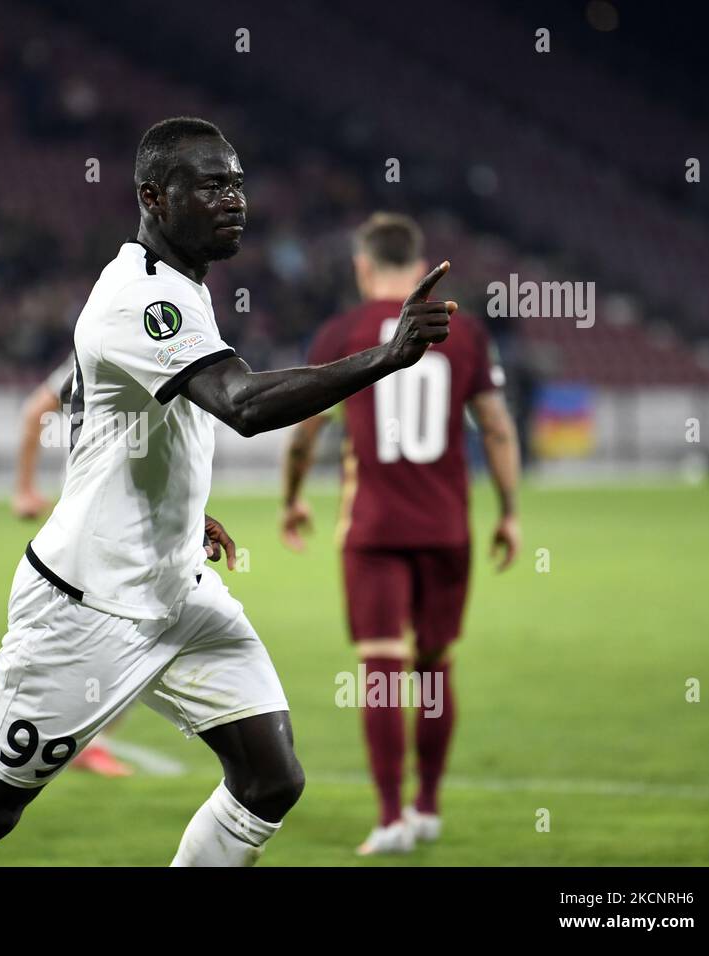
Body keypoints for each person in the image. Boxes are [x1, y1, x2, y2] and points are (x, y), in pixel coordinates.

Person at [0, 118, 455, 866]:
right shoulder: (141, 297)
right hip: (88, 606)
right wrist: (386, 356)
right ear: (154, 197)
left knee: (269, 779)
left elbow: (119, 426)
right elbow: (243, 405)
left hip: (177, 594)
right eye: (212, 184)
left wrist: (182, 512)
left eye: (239, 182)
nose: (235, 199)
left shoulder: (178, 287)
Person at [280, 212, 520, 854]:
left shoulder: (340, 331)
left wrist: (293, 500)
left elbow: (306, 428)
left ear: (363, 267)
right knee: (435, 667)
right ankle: (429, 806)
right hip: (446, 528)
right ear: (420, 270)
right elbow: (496, 427)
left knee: (381, 668)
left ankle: (389, 818)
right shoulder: (462, 331)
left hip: (375, 528)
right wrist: (510, 511)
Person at [12, 353, 133, 777]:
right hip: (106, 530)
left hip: (121, 532)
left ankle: (67, 734)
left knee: (125, 638)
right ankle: (62, 736)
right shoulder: (107, 349)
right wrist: (25, 489)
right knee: (137, 636)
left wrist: (27, 490)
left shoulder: (102, 344)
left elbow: (35, 412)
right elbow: (35, 412)